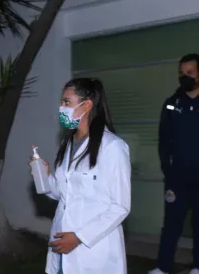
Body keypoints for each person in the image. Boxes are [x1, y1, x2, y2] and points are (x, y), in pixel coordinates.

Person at [30, 78, 131, 274]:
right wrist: (42, 175)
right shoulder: (67, 145)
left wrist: (79, 237)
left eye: (67, 102)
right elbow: (62, 194)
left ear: (87, 105)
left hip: (93, 252)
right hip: (62, 245)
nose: (62, 107)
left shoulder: (112, 148)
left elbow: (120, 206)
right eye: (61, 102)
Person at [150, 53, 199, 274]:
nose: (184, 76)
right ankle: (163, 267)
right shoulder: (172, 103)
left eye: (190, 72)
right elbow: (164, 139)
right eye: (181, 73)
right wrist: (167, 167)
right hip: (177, 178)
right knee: (171, 224)